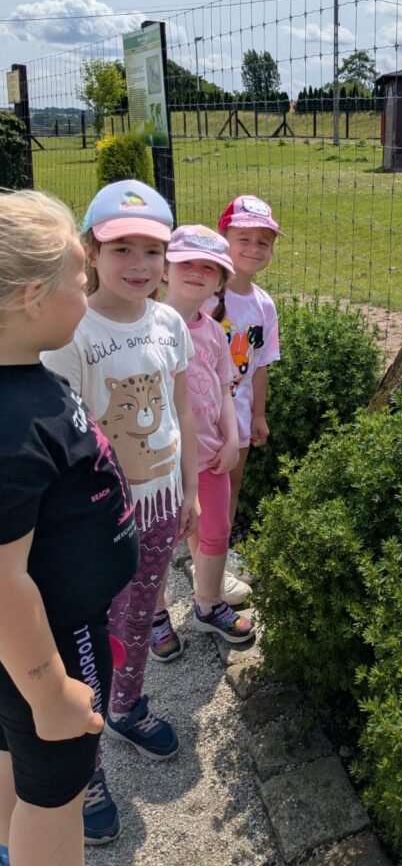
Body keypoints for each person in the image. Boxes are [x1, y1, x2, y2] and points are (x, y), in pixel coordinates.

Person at [42, 179, 198, 846]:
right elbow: (63, 438)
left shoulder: (168, 324)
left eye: (152, 250)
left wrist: (190, 490)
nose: (139, 264)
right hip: (100, 521)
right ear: (90, 252)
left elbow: (181, 407)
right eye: (121, 249)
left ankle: (128, 707)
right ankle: (86, 768)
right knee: (87, 642)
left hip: (160, 505)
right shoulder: (72, 332)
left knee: (139, 616)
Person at [0, 189, 138, 866]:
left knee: (12, 750)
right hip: (51, 638)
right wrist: (50, 690)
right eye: (80, 283)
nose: (87, 296)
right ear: (32, 297)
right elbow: (2, 582)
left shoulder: (23, 379)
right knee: (58, 789)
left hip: (31, 642)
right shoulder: (10, 428)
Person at [149, 225, 254, 658]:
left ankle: (208, 604)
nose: (196, 272)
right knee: (157, 543)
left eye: (208, 268)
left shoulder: (212, 331)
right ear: (165, 271)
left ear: (220, 281)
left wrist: (232, 438)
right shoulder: (146, 326)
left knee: (216, 531)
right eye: (186, 263)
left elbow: (225, 387)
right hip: (158, 465)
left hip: (210, 456)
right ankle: (154, 614)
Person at [205, 195, 281, 605]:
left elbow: (261, 365)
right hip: (201, 415)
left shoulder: (263, 305)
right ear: (224, 240)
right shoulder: (204, 295)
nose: (254, 248)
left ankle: (218, 553)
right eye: (244, 239)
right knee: (200, 487)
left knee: (231, 485)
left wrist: (259, 415)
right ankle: (200, 555)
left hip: (238, 413)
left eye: (263, 242)